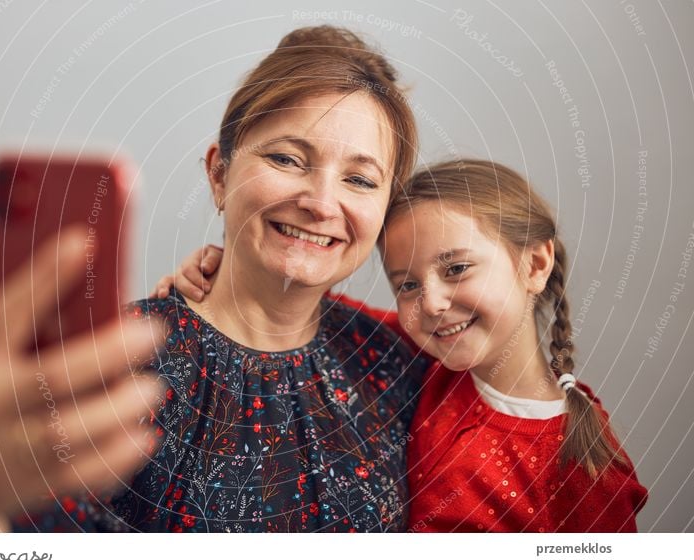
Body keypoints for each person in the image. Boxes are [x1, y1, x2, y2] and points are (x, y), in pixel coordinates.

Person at [0, 25, 426, 532]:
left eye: (360, 179)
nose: (321, 202)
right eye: (287, 159)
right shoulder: (112, 367)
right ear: (220, 173)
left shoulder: (400, 359)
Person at [158, 159, 648, 532]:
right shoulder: (407, 355)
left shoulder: (585, 467)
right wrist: (228, 269)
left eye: (456, 269)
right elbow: (305, 301)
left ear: (535, 265)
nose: (431, 303)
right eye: (407, 284)